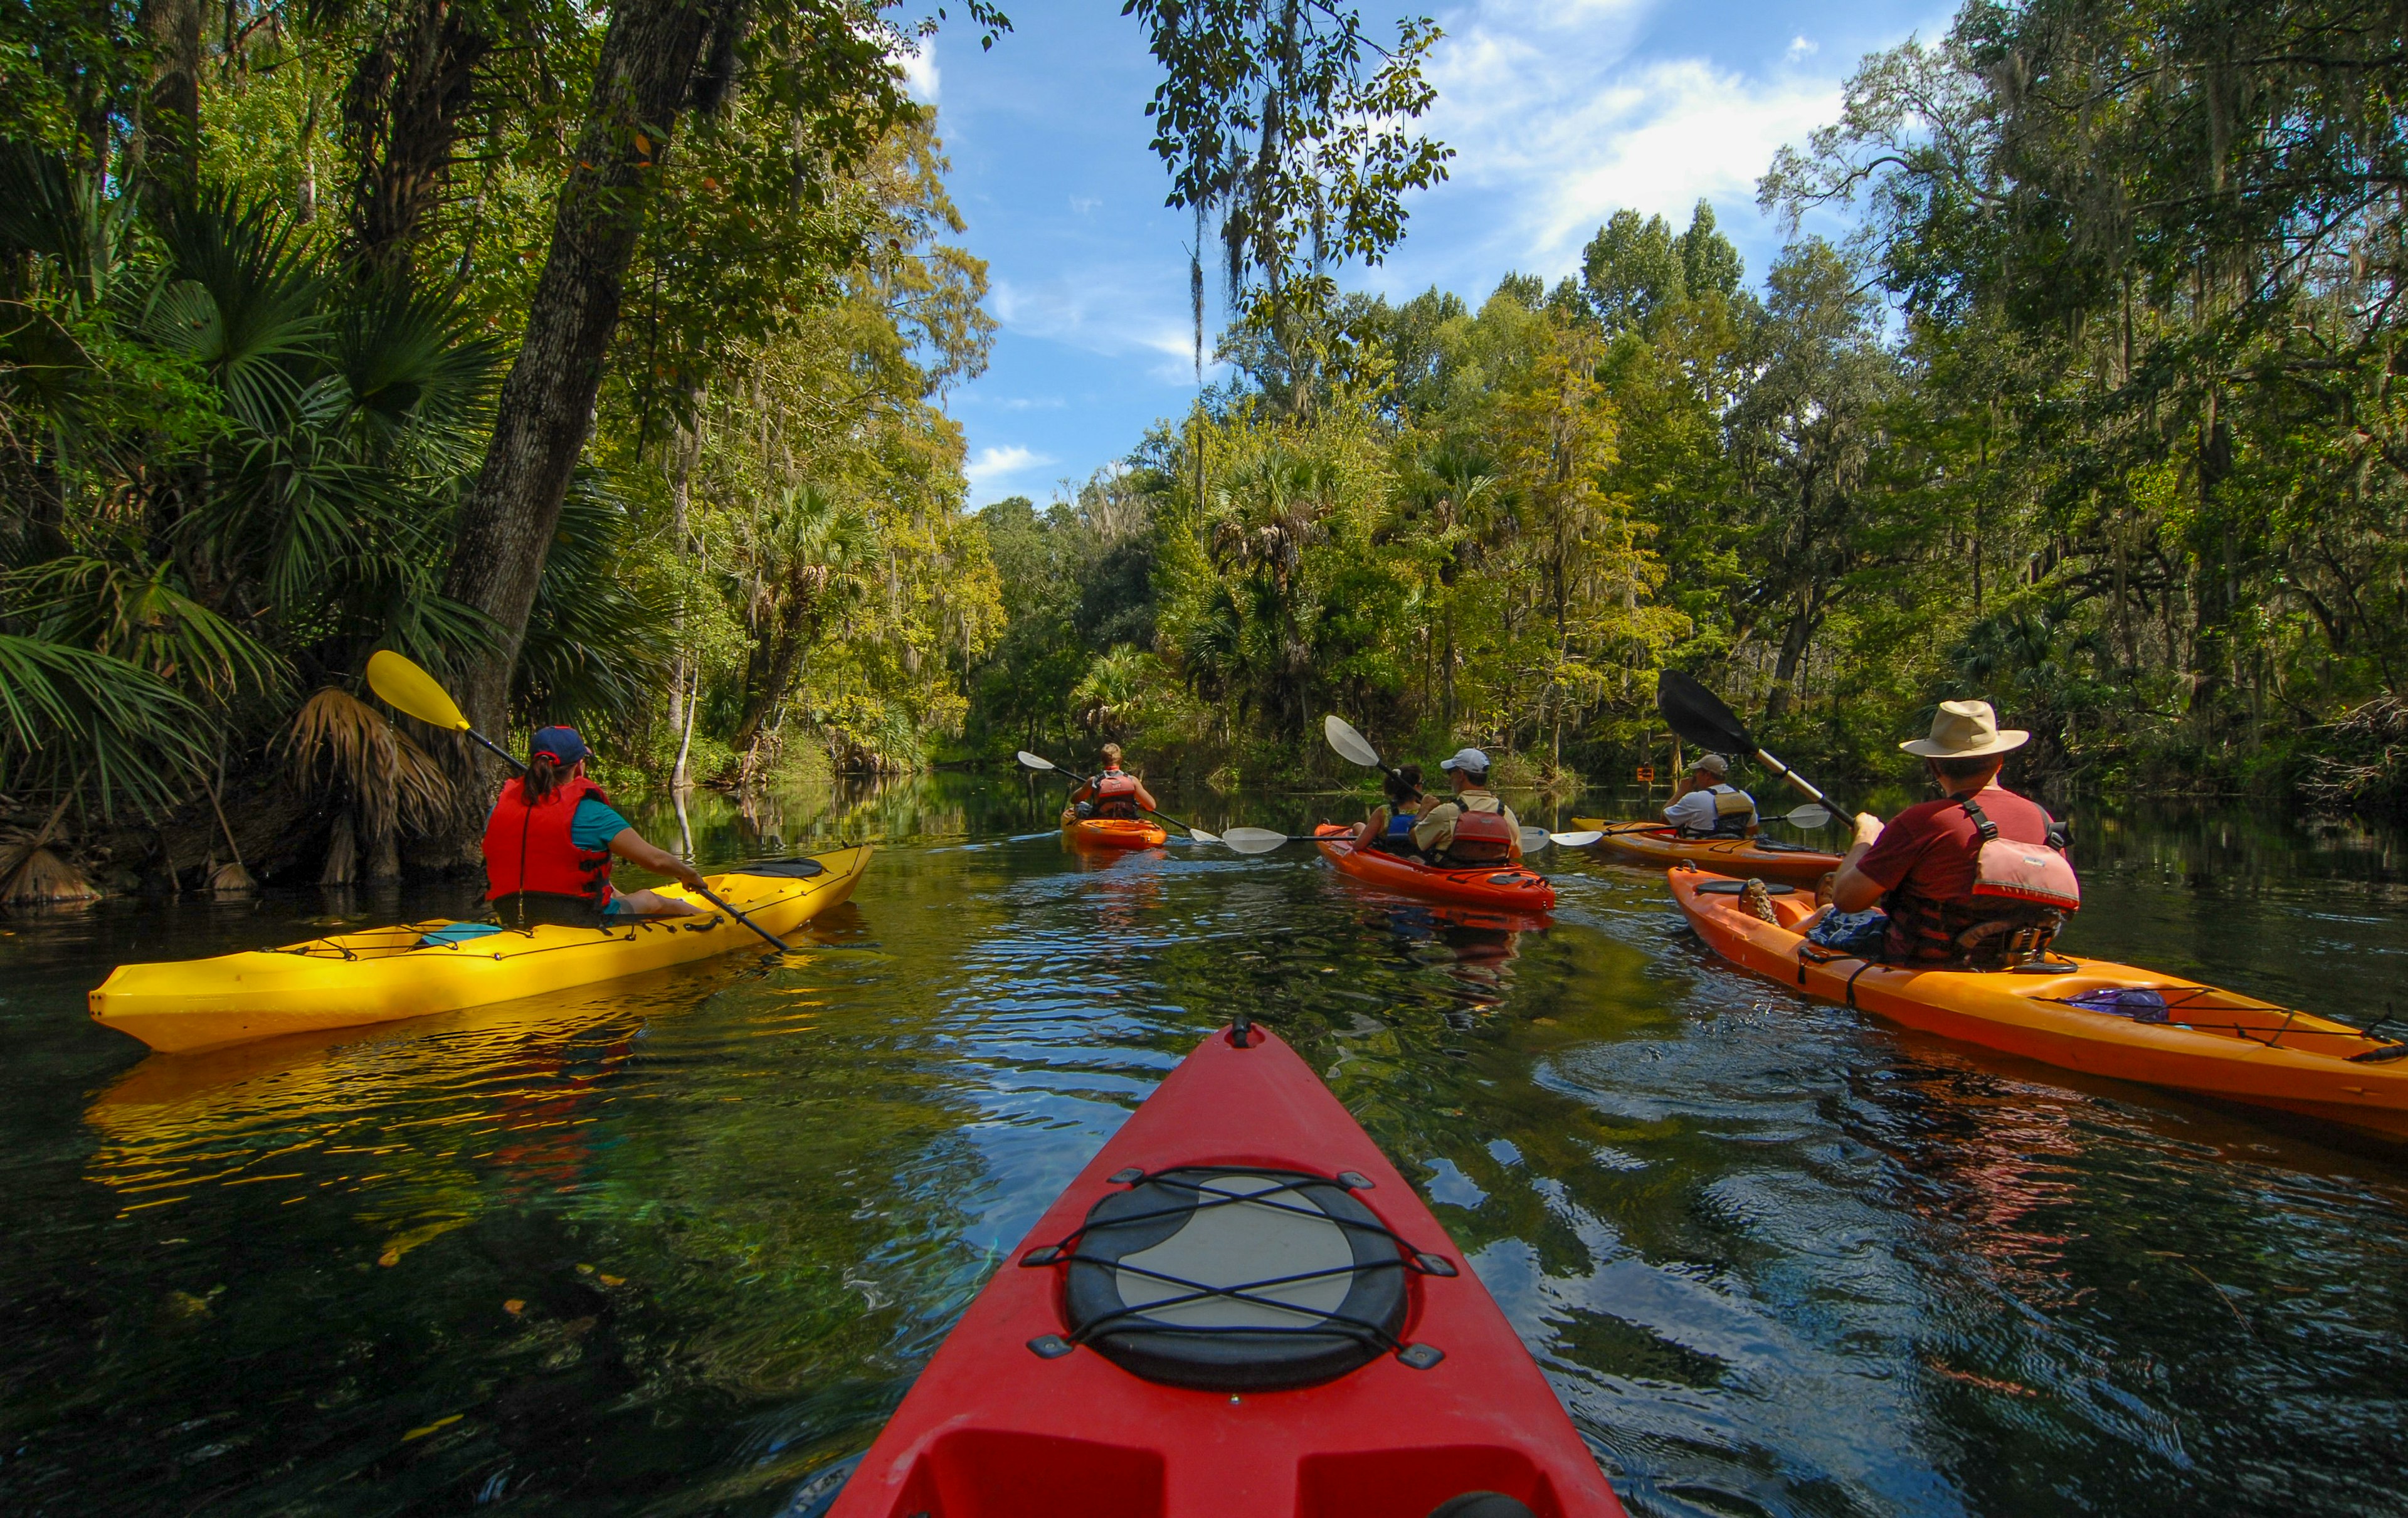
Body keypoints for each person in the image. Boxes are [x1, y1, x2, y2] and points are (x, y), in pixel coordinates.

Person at [1827, 700, 2079, 966]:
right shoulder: (2043, 820)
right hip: (2018, 960)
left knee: (1824, 914)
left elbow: (1845, 900)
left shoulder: (1922, 821)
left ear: (1934, 766)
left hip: (1929, 962)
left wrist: (1866, 837)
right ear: (2000, 762)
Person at [483, 725, 709, 928]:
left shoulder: (499, 809)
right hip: (579, 918)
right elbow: (655, 860)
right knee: (651, 899)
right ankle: (720, 921)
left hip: (513, 915)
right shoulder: (592, 812)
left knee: (610, 887)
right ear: (579, 766)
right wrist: (689, 874)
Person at [1412, 748, 1523, 865]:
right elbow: (1515, 854)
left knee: (1413, 859)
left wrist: (1423, 811)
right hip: (1495, 877)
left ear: (1461, 775)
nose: (1450, 777)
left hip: (1452, 875)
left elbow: (1415, 838)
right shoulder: (1506, 813)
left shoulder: (1446, 812)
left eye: (1450, 772)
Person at [1662, 752, 1758, 837]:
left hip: (1699, 851)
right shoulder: (1744, 796)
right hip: (1733, 849)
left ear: (1707, 775)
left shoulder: (1694, 799)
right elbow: (1752, 831)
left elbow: (1665, 821)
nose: (1695, 776)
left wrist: (1680, 792)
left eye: (1697, 772)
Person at [1065, 742, 1158, 823]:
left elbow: (1074, 800)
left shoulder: (1094, 781)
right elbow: (1151, 806)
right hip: (1128, 820)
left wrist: (1087, 786)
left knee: (1081, 805)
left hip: (1101, 822)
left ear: (1102, 761)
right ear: (1121, 760)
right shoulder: (1132, 780)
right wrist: (1139, 806)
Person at [1355, 765, 1428, 854]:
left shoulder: (1383, 812)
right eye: (1422, 783)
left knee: (1358, 826)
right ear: (1416, 787)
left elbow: (1358, 846)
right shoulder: (1429, 811)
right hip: (1419, 860)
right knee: (1358, 826)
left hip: (1391, 859)